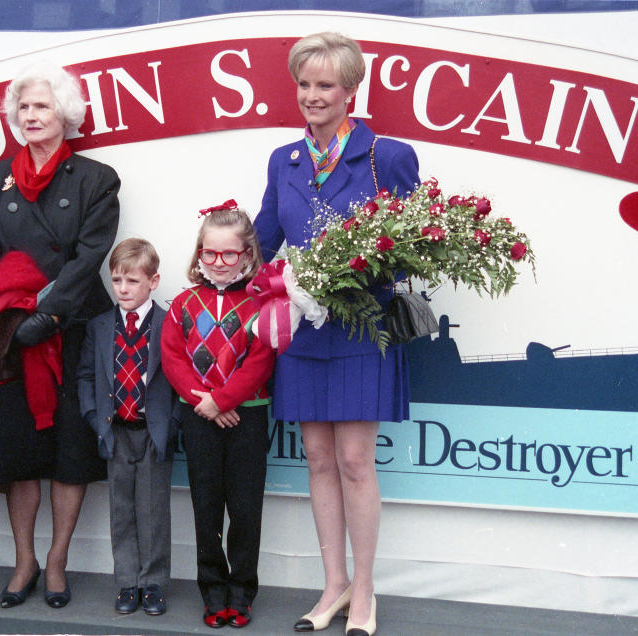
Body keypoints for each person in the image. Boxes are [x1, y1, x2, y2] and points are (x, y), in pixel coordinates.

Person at [252, 32, 420, 636]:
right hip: (302, 331)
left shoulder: (388, 155)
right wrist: (232, 260)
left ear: (352, 90)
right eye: (305, 84)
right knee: (318, 460)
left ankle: (367, 592)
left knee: (354, 461)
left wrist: (346, 273)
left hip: (359, 328)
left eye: (326, 85)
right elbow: (265, 239)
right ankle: (333, 587)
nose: (313, 96)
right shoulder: (284, 160)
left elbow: (411, 250)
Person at [0, 61, 120, 609]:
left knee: (70, 452)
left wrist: (48, 315)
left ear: (66, 115)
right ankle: (24, 559)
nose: (32, 116)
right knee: (20, 449)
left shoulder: (97, 179)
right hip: (10, 335)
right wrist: (13, 319)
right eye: (24, 107)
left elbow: (86, 260)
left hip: (74, 328)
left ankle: (56, 560)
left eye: (43, 106)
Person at [161, 202, 275, 629]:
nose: (220, 262)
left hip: (248, 417)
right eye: (210, 253)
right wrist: (205, 402)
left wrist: (222, 400)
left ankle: (241, 592)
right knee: (206, 507)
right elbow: (173, 358)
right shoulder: (184, 304)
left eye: (230, 254)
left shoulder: (262, 303)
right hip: (200, 417)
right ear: (199, 253)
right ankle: (212, 591)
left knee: (245, 509)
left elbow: (261, 361)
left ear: (247, 255)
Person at [76, 238, 177, 617]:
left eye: (132, 281)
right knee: (121, 512)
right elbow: (86, 375)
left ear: (153, 281)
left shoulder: (168, 324)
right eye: (117, 280)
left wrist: (172, 423)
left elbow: (180, 379)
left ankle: (153, 584)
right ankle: (127, 583)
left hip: (153, 434)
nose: (123, 289)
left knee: (153, 512)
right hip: (114, 431)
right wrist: (92, 416)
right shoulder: (100, 326)